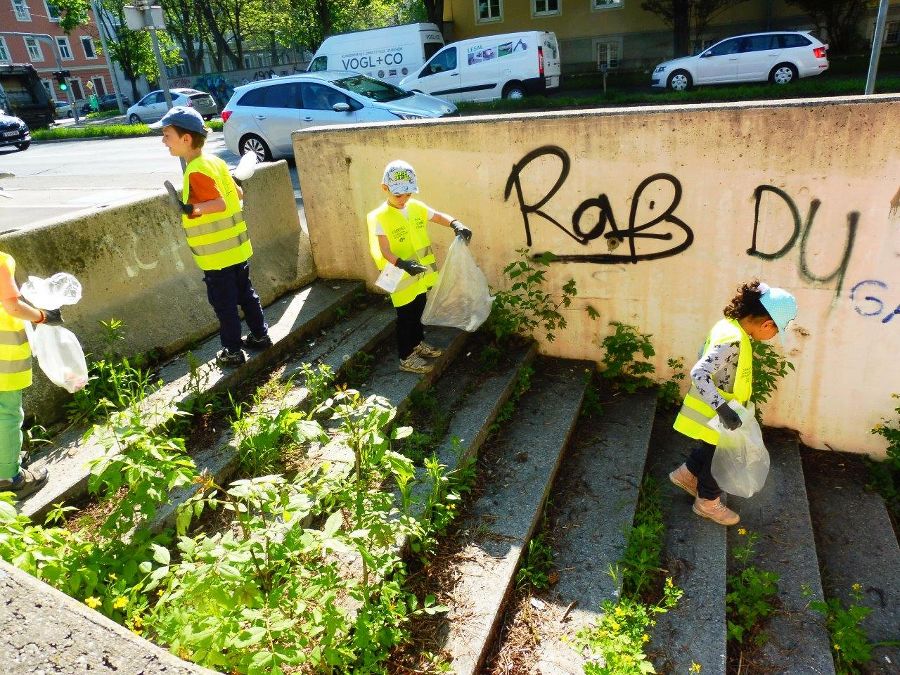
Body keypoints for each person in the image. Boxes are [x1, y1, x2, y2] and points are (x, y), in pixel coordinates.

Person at [669, 281, 797, 526]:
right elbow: (699, 373)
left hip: (712, 411)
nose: (772, 337)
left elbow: (703, 353)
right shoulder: (734, 341)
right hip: (718, 413)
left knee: (710, 449)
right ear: (767, 324)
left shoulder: (728, 327)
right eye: (775, 332)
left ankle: (686, 475)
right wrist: (723, 409)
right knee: (723, 459)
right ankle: (707, 502)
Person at [154, 106, 271, 367]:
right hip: (237, 249)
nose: (164, 141)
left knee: (224, 305)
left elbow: (217, 204)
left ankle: (232, 351)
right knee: (247, 295)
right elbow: (237, 197)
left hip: (217, 257)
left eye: (167, 135)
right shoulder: (215, 163)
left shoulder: (196, 170)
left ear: (186, 139)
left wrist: (189, 209)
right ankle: (260, 335)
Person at [367, 160, 472, 374]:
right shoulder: (380, 217)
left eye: (408, 194)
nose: (404, 199)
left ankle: (418, 344)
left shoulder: (415, 207)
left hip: (420, 276)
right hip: (400, 277)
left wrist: (455, 223)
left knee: (418, 310)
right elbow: (385, 250)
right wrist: (403, 264)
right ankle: (406, 356)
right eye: (398, 195)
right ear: (384, 188)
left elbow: (437, 216)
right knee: (405, 317)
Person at [0, 251, 62, 500]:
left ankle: (6, 458)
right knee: (7, 414)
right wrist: (43, 316)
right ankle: (8, 477)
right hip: (3, 354)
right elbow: (12, 305)